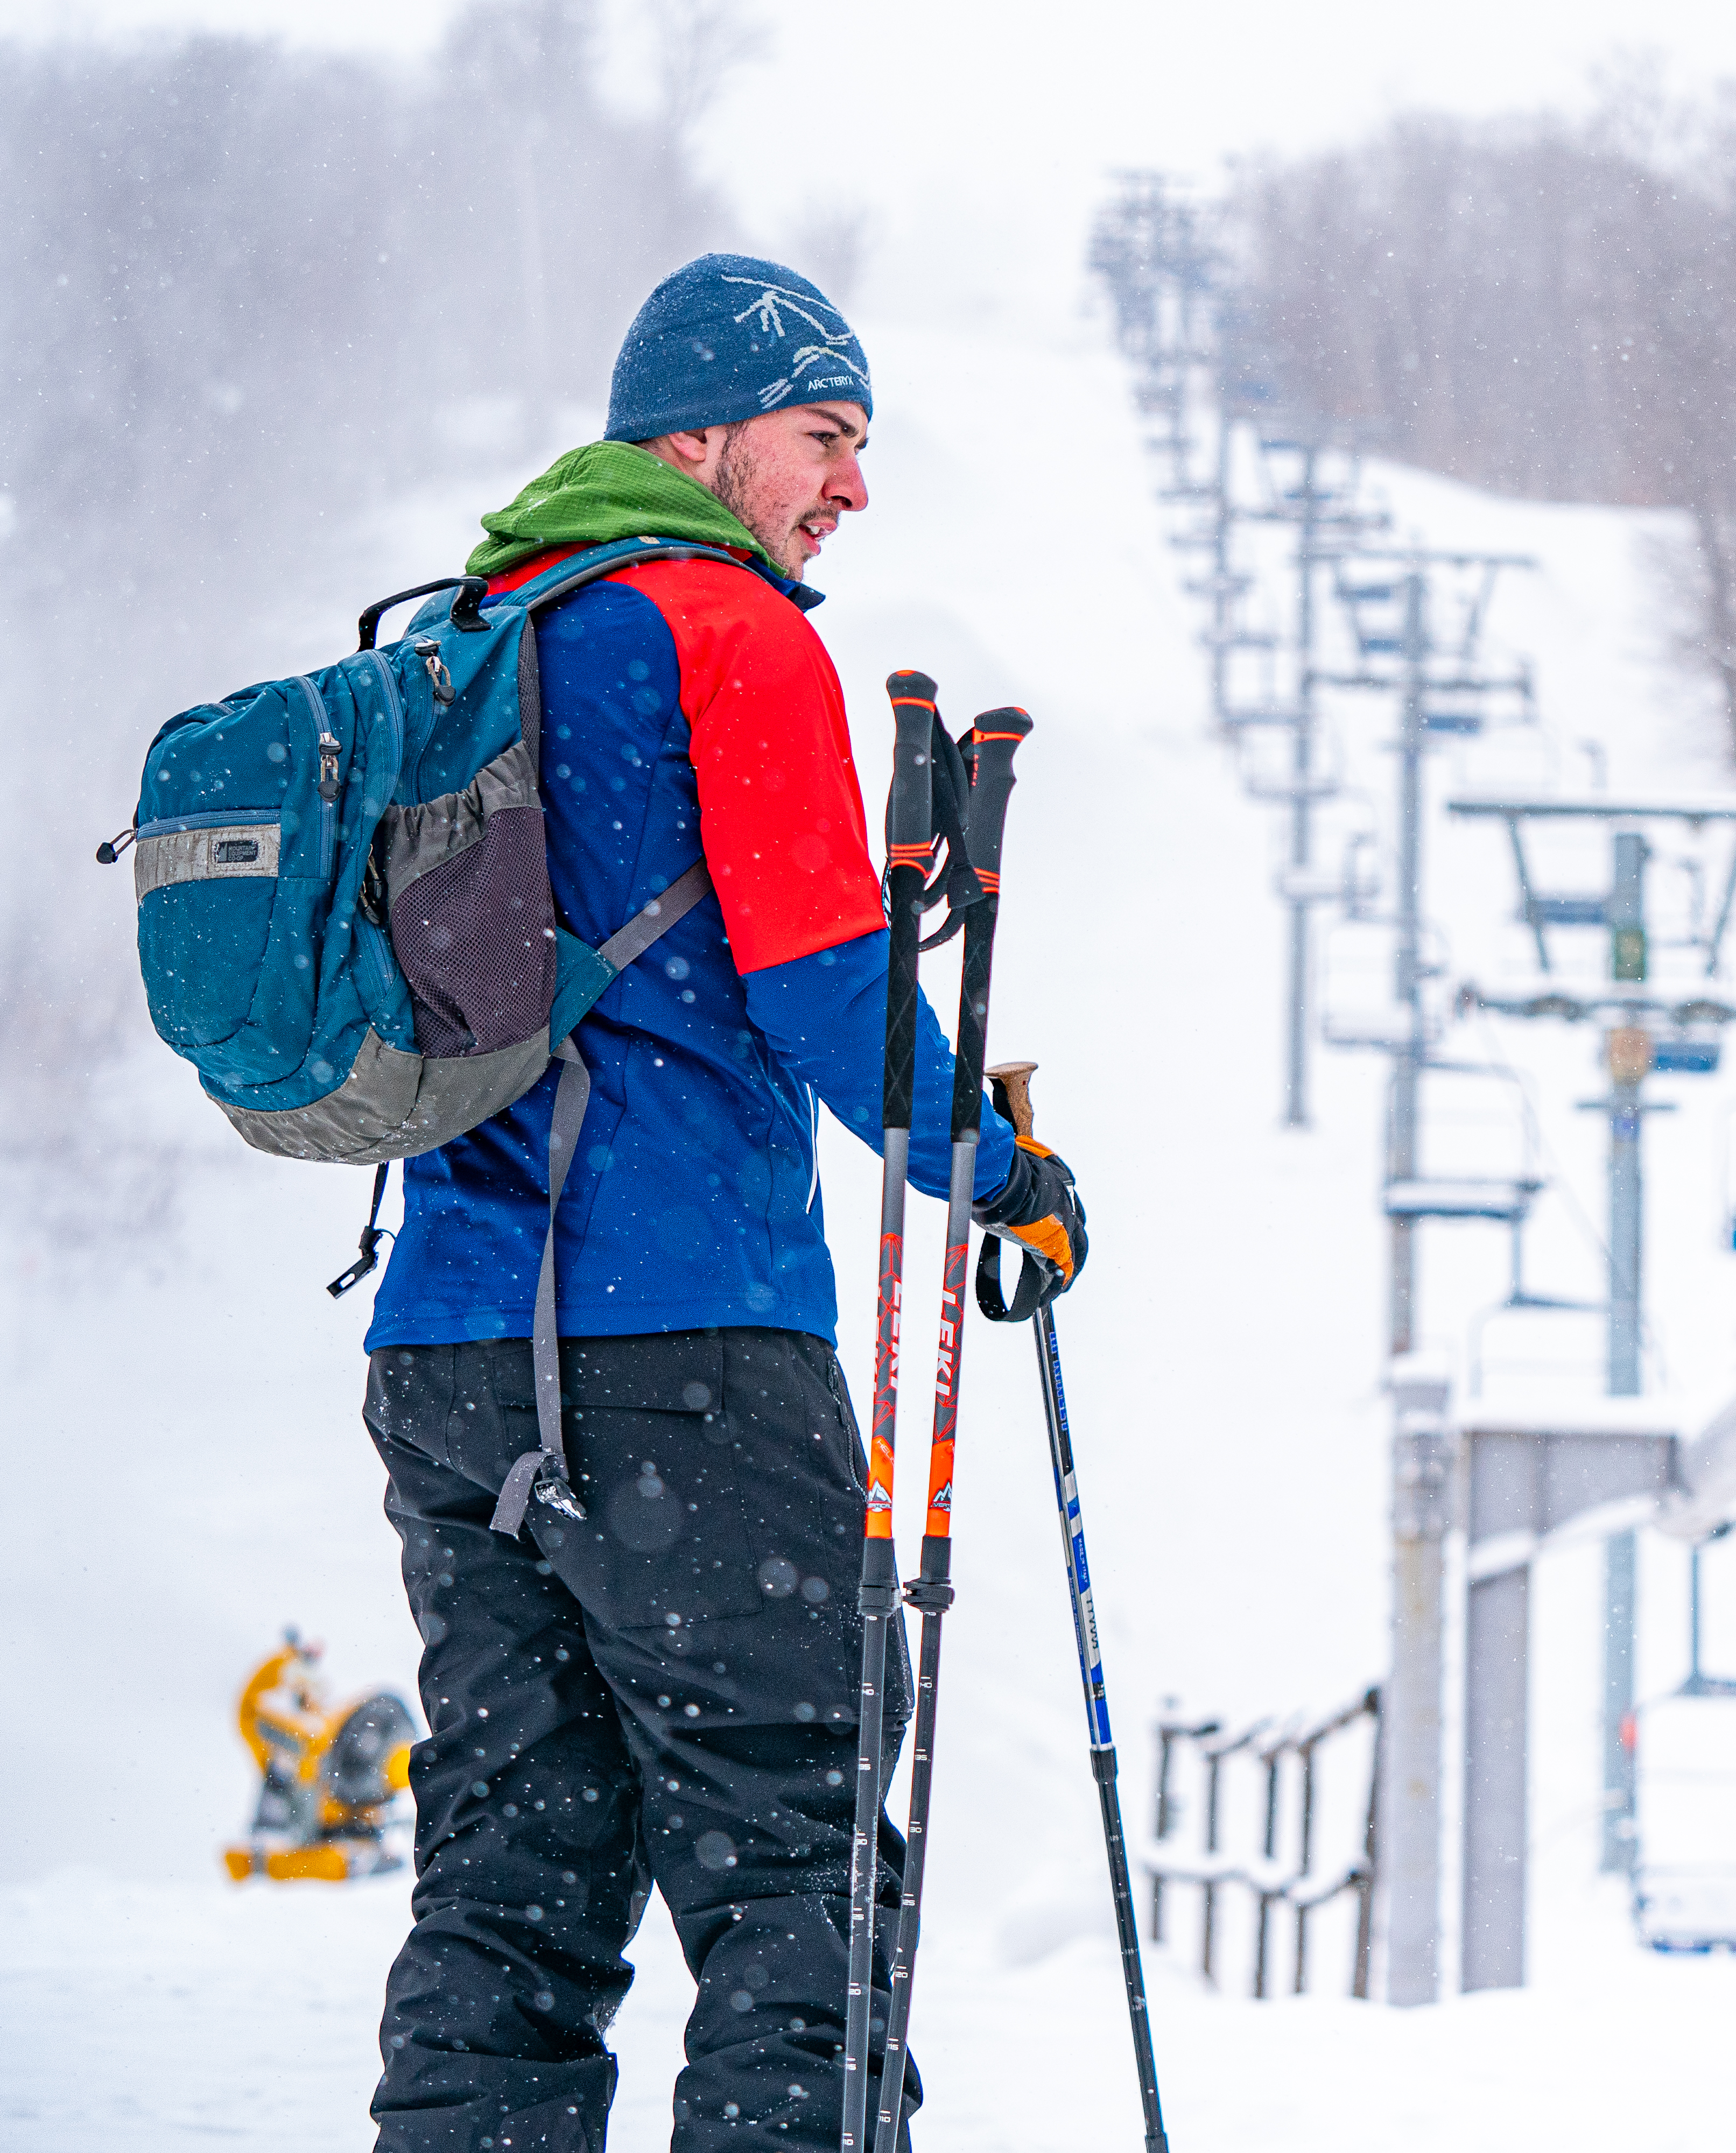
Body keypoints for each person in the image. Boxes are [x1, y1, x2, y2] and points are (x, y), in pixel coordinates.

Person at [356, 253, 1090, 2151]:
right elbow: (826, 986)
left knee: (510, 1872)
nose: (853, 486)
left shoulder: (473, 635)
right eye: (823, 438)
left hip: (449, 1362)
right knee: (798, 1856)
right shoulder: (727, 629)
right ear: (697, 439)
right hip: (686, 1359)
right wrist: (1003, 1175)